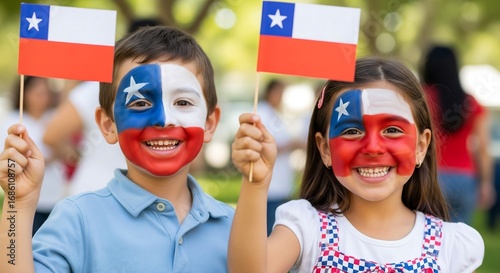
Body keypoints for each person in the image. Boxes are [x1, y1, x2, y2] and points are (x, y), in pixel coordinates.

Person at [0, 25, 234, 273]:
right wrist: (18, 203)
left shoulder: (234, 227)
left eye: (183, 102)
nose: (164, 119)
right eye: (140, 102)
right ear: (108, 125)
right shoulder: (77, 219)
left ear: (209, 123)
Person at [229, 57, 484, 272]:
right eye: (351, 131)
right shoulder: (306, 227)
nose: (373, 147)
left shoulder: (452, 245)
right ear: (325, 149)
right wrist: (256, 183)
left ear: (420, 146)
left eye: (392, 129)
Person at [42, 18, 162, 195]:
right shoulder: (175, 91)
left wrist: (77, 155)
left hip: (93, 190)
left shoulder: (96, 88)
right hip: (144, 193)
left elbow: (51, 136)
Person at [422, 45, 496, 224]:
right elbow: (483, 146)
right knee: (460, 242)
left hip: (431, 177)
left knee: (429, 239)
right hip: (465, 178)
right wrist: (486, 182)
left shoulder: (421, 98)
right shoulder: (471, 103)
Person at [0, 76, 67, 236]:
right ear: (25, 93)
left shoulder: (55, 117)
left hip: (57, 197)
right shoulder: (14, 121)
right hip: (28, 200)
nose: (42, 97)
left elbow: (69, 151)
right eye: (37, 92)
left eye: (45, 92)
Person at [258, 79, 303, 235]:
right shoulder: (262, 113)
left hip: (281, 183)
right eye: (279, 93)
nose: (281, 97)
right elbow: (262, 145)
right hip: (271, 186)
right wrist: (292, 144)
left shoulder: (274, 114)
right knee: (270, 231)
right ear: (271, 92)